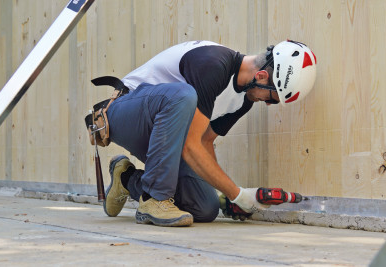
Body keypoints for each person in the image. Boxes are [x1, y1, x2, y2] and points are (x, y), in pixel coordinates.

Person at [97, 40, 317, 227]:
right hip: (123, 112)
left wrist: (226, 197)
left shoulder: (243, 101)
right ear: (260, 76)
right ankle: (155, 198)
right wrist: (238, 194)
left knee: (205, 207)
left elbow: (203, 141)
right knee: (183, 95)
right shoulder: (213, 62)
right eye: (271, 97)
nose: (268, 104)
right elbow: (190, 147)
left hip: (164, 134)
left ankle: (126, 179)